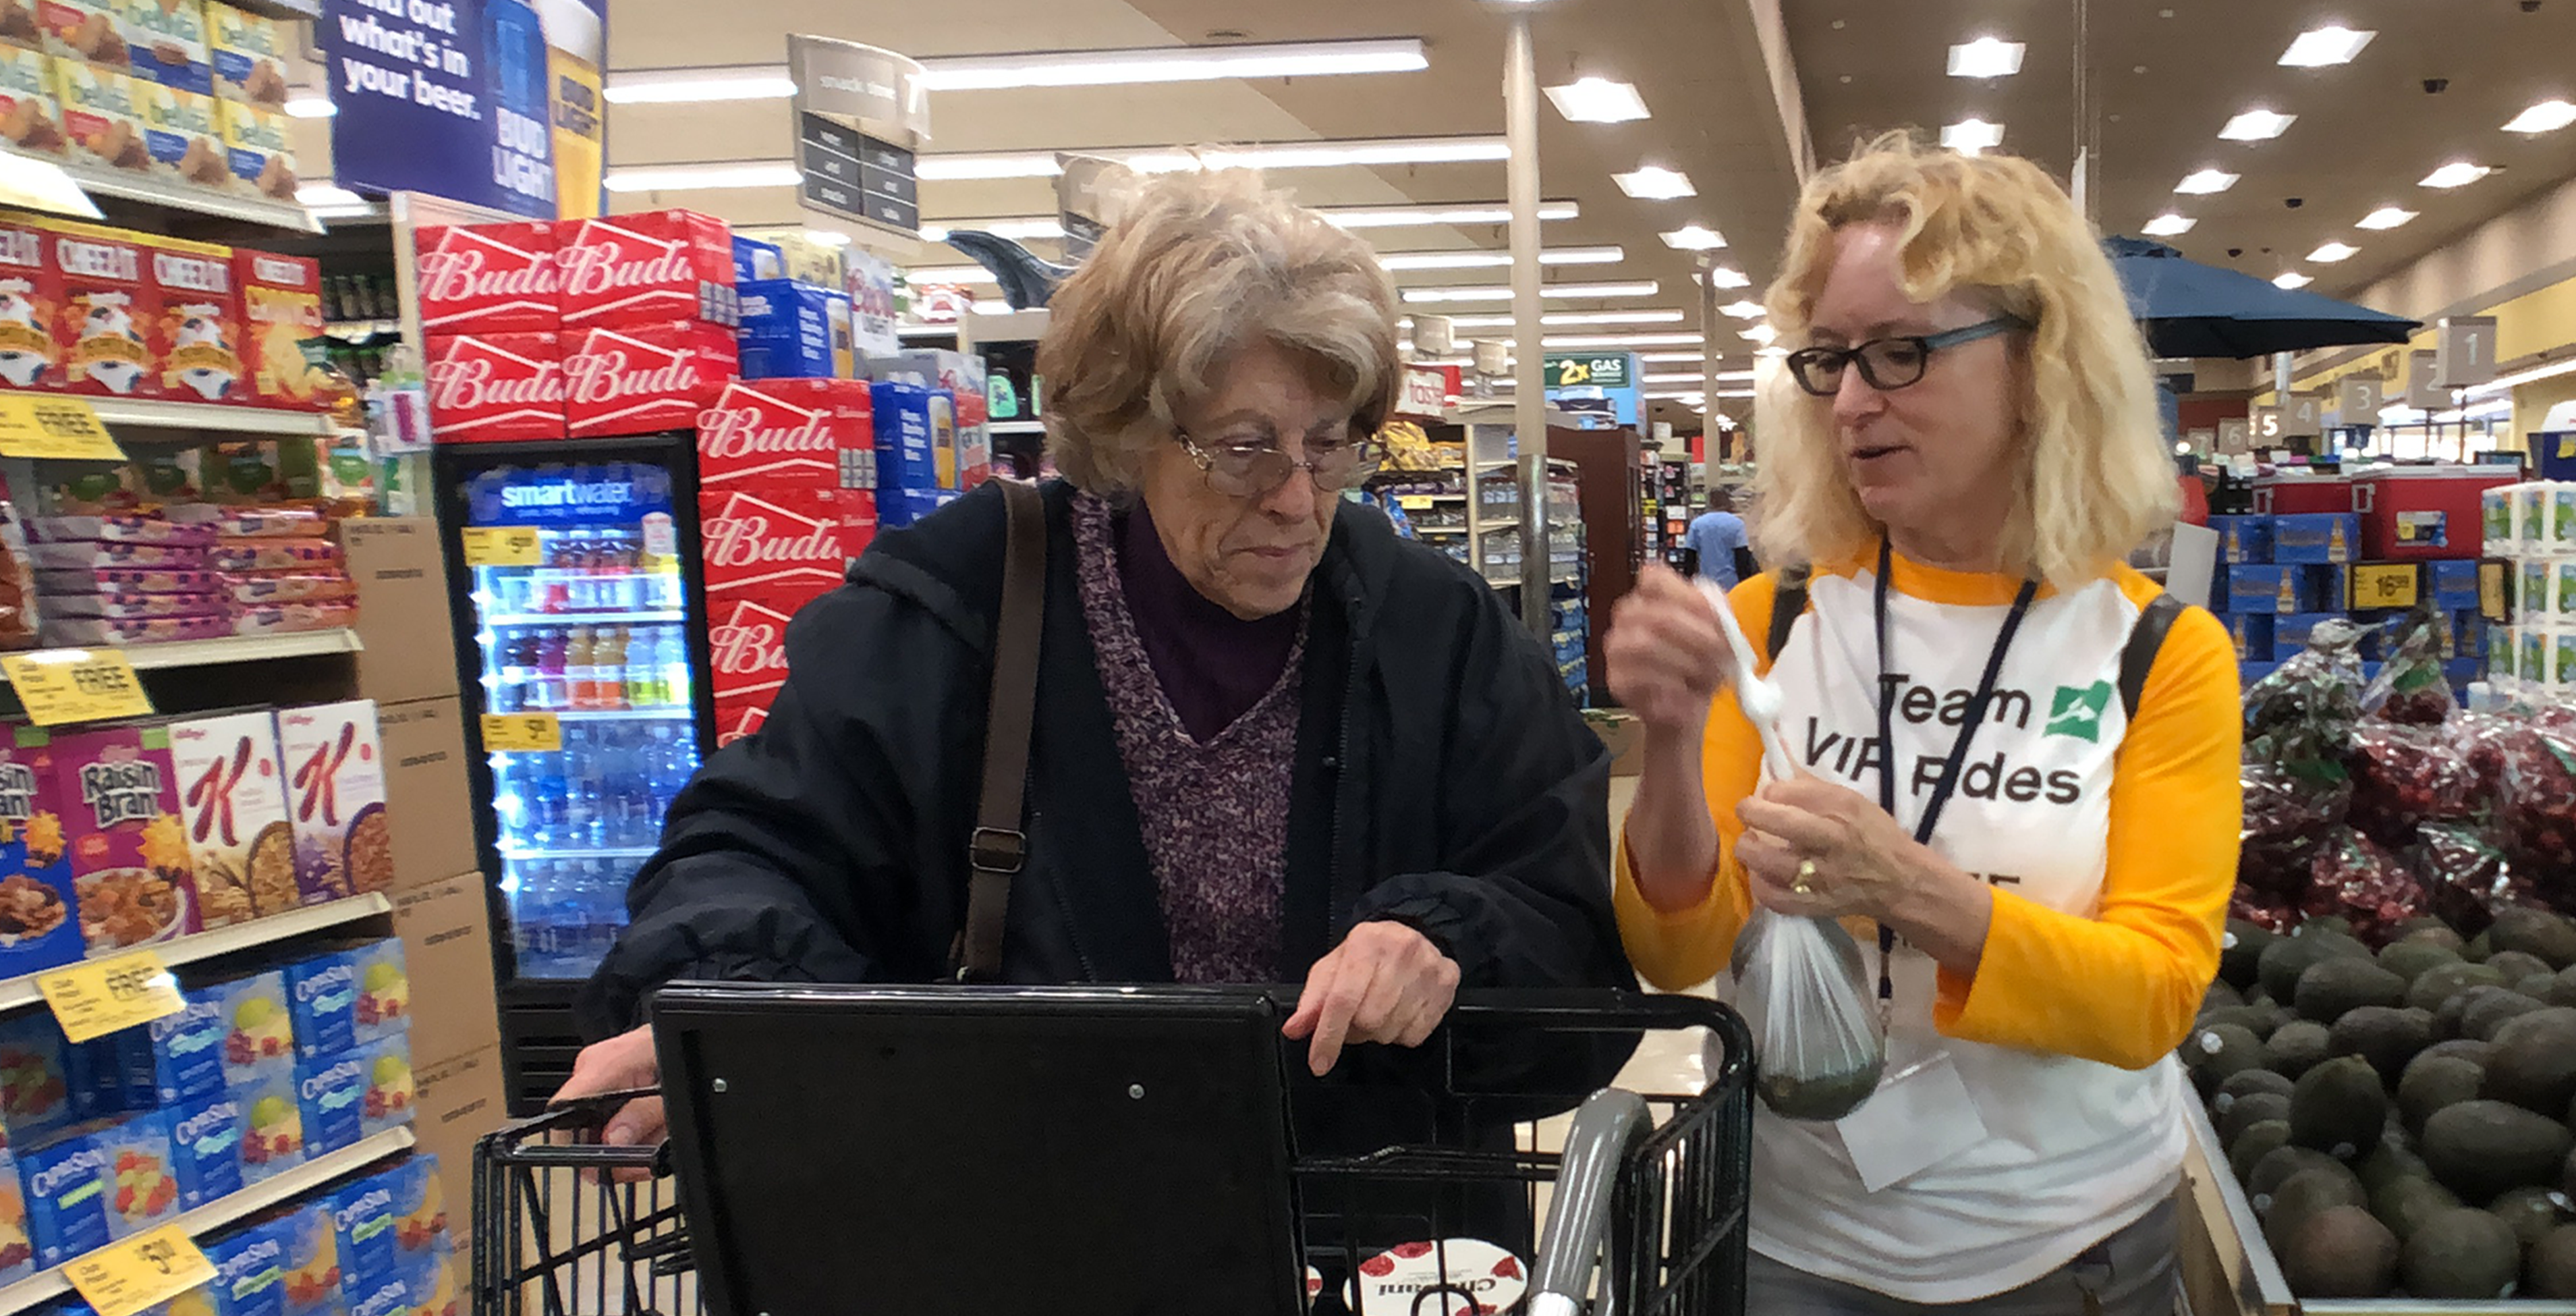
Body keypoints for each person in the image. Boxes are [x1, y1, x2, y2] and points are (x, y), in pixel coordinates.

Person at [556, 168, 1635, 1166]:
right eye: (1246, 445)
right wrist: (714, 1004)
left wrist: (1447, 942)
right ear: (1127, 430)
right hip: (1028, 1223)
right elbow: (762, 844)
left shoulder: (1434, 632)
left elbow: (1571, 927)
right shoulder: (956, 608)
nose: (1299, 498)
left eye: (1330, 442)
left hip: (1374, 1236)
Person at [1604, 134, 2244, 1313]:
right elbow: (1680, 952)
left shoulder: (2159, 655)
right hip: (1792, 1242)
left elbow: (2153, 996)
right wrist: (1670, 740)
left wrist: (1905, 885)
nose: (1852, 402)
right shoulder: (1774, 618)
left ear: (2040, 366)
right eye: (1830, 360)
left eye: (1902, 353)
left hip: (2069, 1252)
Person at [1687, 487, 1752, 589]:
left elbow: (1690, 557)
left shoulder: (1697, 524)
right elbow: (1742, 557)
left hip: (1706, 584)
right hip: (1731, 583)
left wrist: (1688, 583)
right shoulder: (1737, 524)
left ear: (1711, 502)